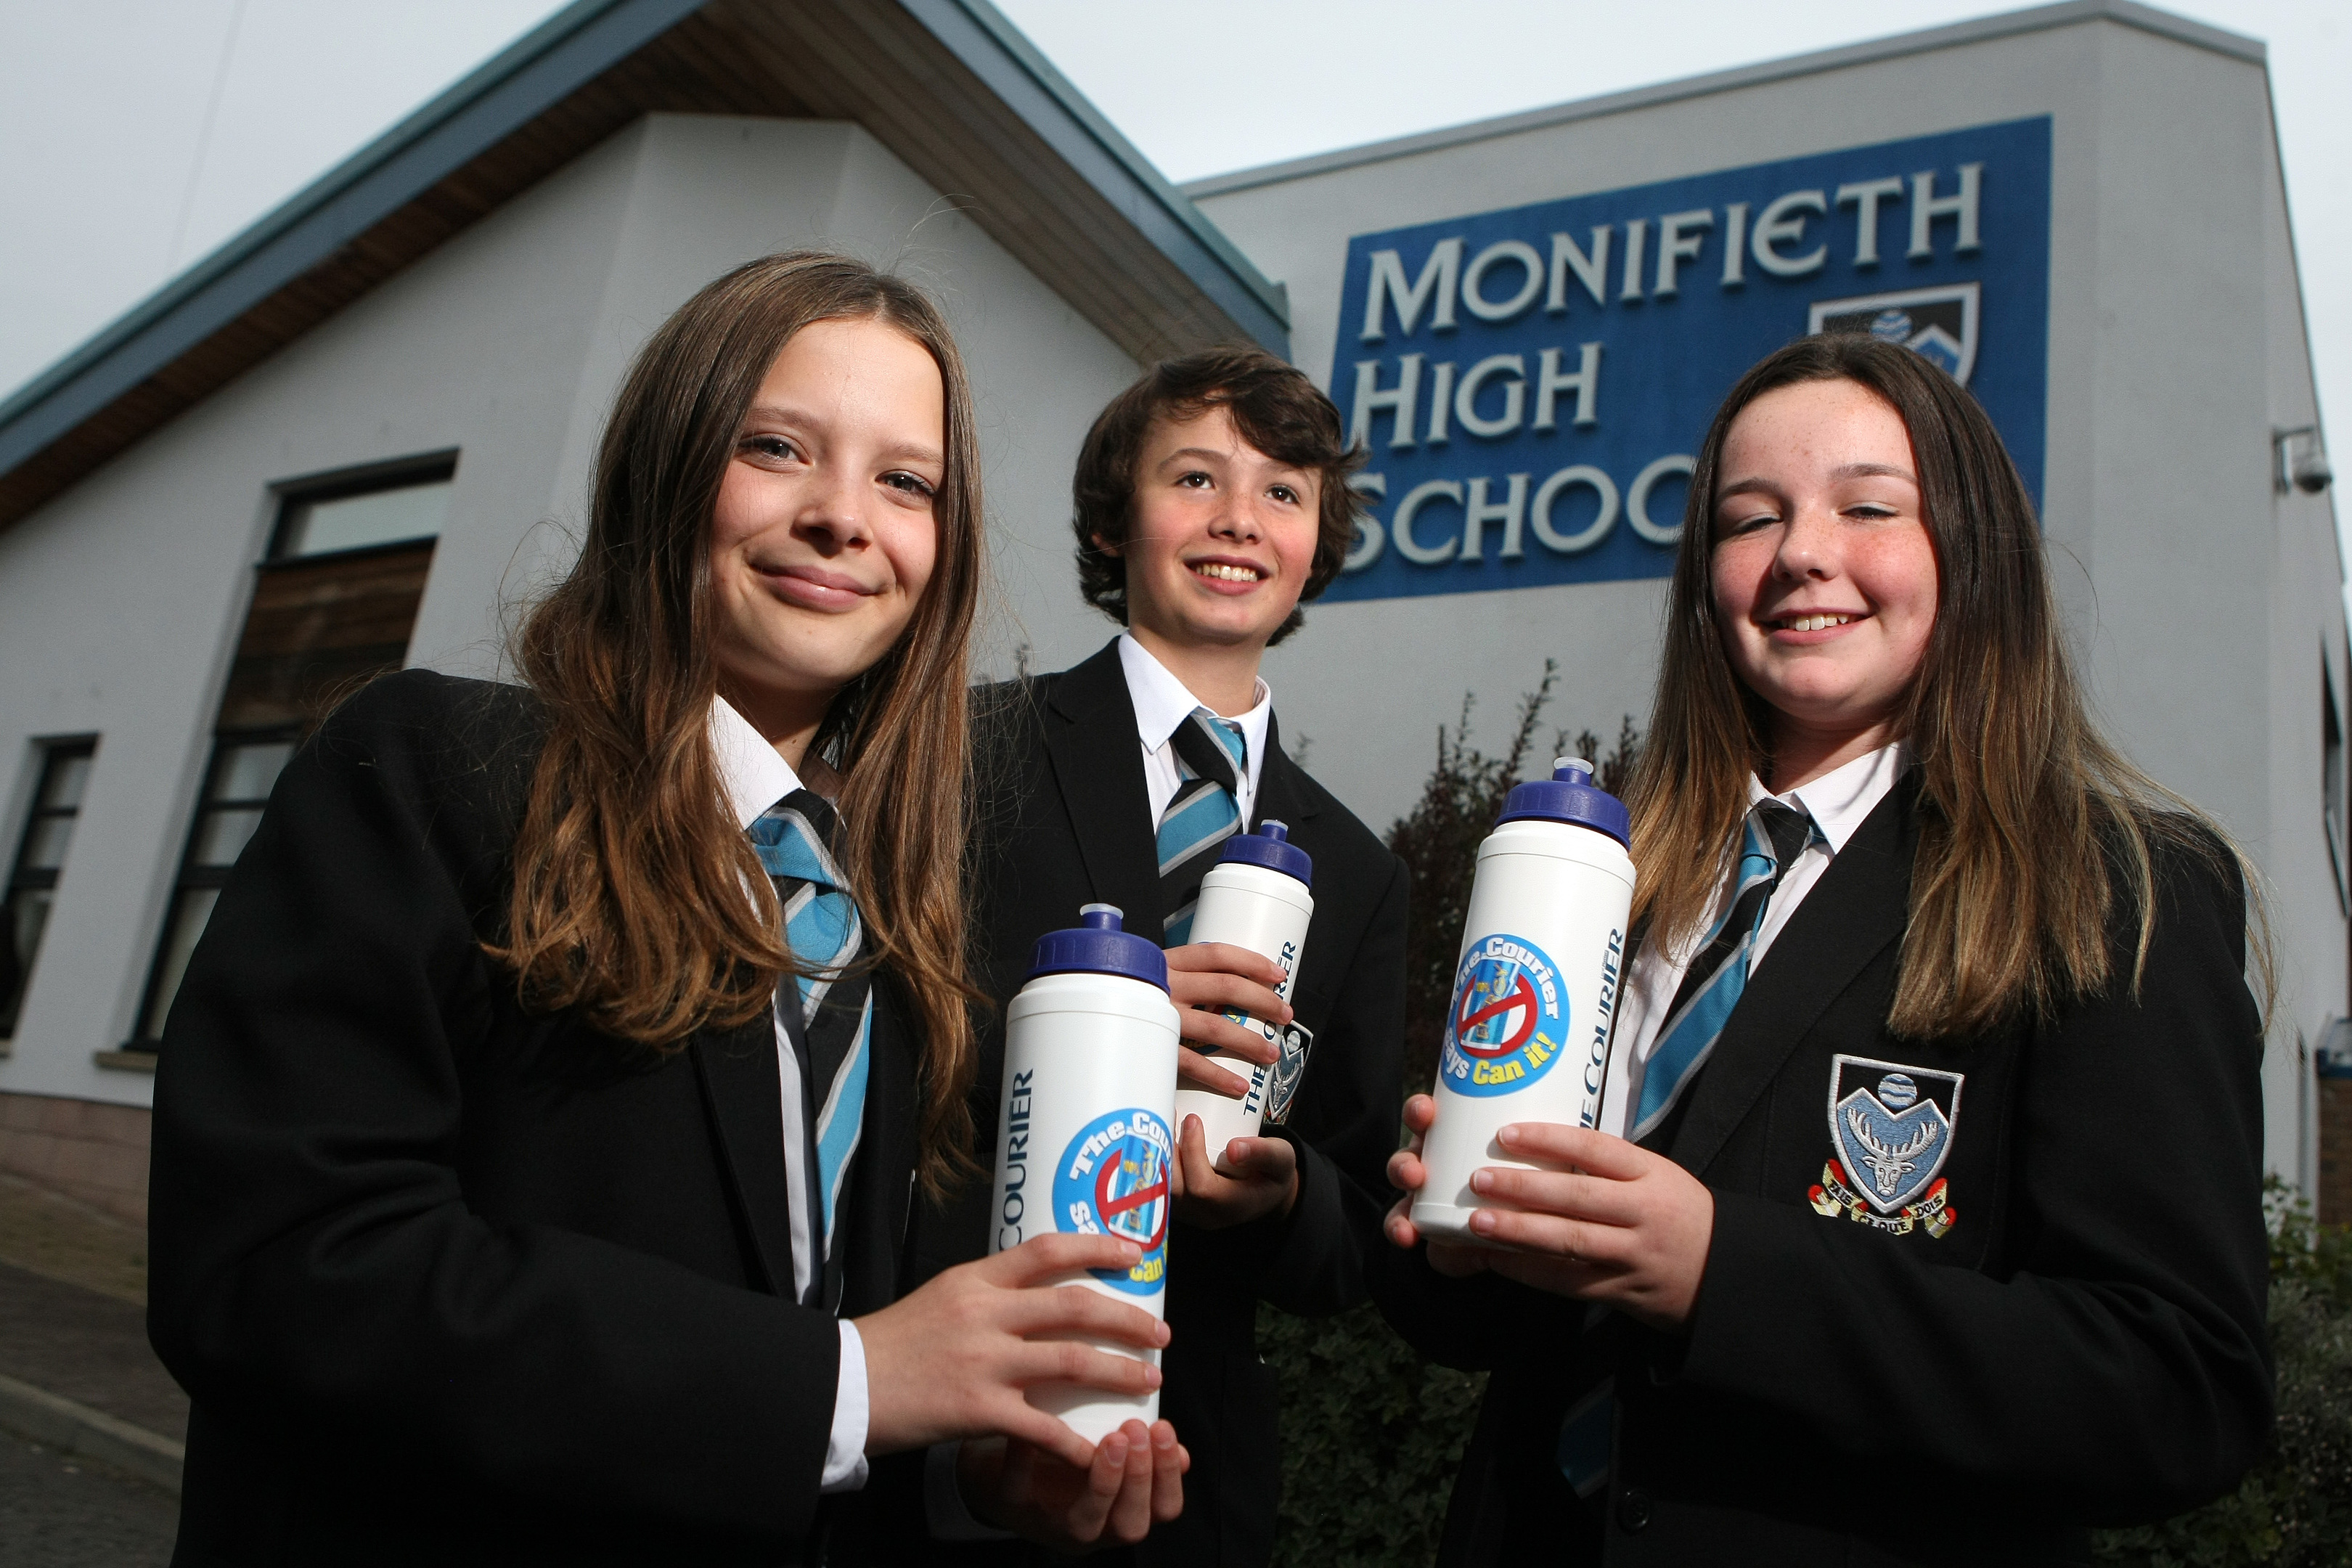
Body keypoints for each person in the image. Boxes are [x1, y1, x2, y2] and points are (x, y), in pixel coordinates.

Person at [146, 252, 1189, 1566]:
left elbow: (876, 1383)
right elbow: (280, 1272)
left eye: (905, 481)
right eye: (776, 446)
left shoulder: (911, 931)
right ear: (667, 463)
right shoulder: (428, 774)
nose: (842, 517)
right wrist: (847, 1382)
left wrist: (985, 1481)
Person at [1377, 334, 2274, 1564]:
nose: (1802, 552)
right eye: (1751, 520)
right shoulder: (1612, 879)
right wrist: (1464, 1243)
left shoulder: (2116, 888)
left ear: (1969, 549)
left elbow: (2181, 1390)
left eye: (1867, 506)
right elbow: (1506, 1338)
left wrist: (1717, 1273)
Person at [918, 346, 1407, 1565]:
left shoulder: (1357, 869)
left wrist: (1285, 1195)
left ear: (1315, 546)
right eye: (1195, 478)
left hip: (1184, 1484)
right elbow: (842, 1033)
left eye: (1285, 493)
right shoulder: (961, 753)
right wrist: (1080, 1021)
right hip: (931, 1447)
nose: (1239, 518)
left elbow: (1352, 1220)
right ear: (1115, 519)